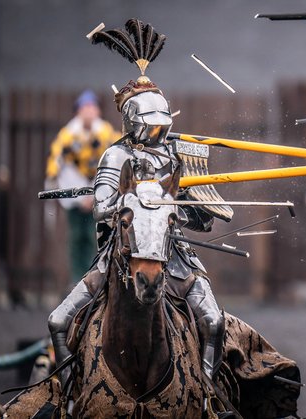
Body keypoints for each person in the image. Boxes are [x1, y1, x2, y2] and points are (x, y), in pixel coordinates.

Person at [48, 19, 234, 385]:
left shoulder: (176, 156)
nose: (157, 133)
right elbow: (102, 208)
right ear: (133, 123)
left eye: (161, 126)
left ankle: (209, 394)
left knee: (213, 321)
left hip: (173, 256)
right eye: (151, 126)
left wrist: (193, 207)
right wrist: (141, 197)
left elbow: (197, 222)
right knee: (58, 320)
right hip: (122, 255)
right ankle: (67, 391)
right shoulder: (116, 157)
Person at [45, 91, 119, 281]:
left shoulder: (106, 133)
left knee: (95, 237)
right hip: (74, 193)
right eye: (85, 108)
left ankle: (96, 278)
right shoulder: (68, 135)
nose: (89, 112)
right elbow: (56, 162)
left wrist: (95, 194)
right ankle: (78, 279)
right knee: (77, 237)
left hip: (99, 192)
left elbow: (114, 160)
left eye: (92, 107)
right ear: (78, 111)